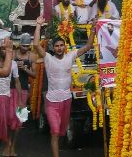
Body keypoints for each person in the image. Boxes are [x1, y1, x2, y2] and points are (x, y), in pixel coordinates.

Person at [32, 15, 94, 157]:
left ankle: (57, 151)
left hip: (67, 101)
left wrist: (94, 30)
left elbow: (88, 46)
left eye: (61, 45)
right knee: (54, 131)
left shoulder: (70, 56)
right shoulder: (48, 58)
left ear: (65, 47)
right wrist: (38, 25)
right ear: (53, 48)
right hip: (52, 102)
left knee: (60, 132)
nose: (59, 48)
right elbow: (36, 45)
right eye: (56, 46)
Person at [0, 42, 23, 156]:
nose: (5, 51)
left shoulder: (13, 64)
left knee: (13, 122)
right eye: (2, 49)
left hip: (7, 98)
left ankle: (8, 147)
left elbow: (17, 82)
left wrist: (20, 100)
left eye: (7, 49)